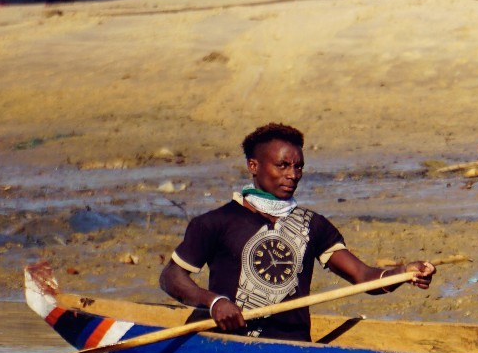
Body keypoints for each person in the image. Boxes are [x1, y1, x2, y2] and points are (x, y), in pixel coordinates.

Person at [160, 123, 436, 342]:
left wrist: (404, 272)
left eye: (298, 166)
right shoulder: (216, 222)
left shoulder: (313, 225)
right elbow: (171, 276)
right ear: (253, 166)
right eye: (282, 165)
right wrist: (215, 301)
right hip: (231, 345)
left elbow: (363, 277)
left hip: (295, 349)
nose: (293, 174)